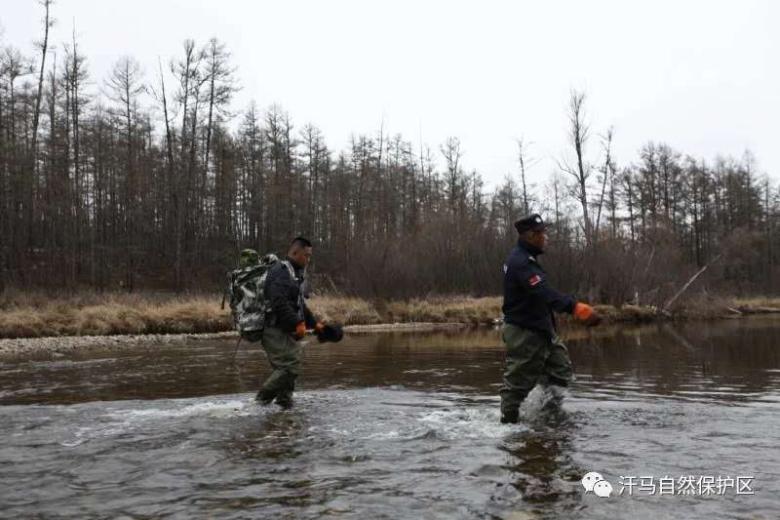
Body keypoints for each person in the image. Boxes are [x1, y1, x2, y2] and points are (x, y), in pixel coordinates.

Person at [500, 214, 600, 424]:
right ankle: (507, 427)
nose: (546, 237)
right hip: (524, 332)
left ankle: (546, 414)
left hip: (541, 330)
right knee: (517, 384)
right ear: (530, 236)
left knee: (560, 372)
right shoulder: (521, 263)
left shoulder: (527, 259)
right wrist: (575, 307)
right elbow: (544, 293)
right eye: (542, 233)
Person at [256, 236, 325, 409]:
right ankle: (259, 403)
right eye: (306, 255)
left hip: (284, 329)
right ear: (294, 252)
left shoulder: (296, 274)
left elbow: (300, 304)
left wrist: (314, 324)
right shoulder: (280, 271)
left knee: (286, 373)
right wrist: (298, 323)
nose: (308, 260)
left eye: (310, 256)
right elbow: (278, 301)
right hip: (272, 329)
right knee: (291, 365)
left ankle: (285, 409)